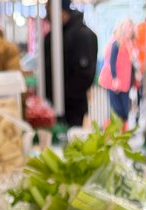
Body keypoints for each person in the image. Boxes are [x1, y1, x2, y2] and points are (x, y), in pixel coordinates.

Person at [41, 0, 96, 129]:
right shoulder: (52, 37)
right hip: (51, 107)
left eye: (48, 7)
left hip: (72, 110)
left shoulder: (83, 36)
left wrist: (62, 96)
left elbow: (84, 76)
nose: (46, 11)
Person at [97, 19, 133, 124]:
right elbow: (112, 62)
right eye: (127, 26)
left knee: (124, 111)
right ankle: (116, 129)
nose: (129, 29)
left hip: (124, 83)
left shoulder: (129, 44)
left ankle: (122, 129)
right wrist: (115, 79)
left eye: (130, 26)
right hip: (114, 81)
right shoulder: (116, 43)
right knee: (117, 110)